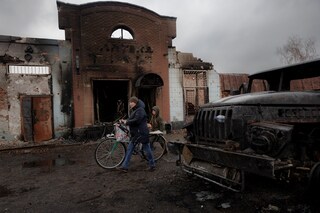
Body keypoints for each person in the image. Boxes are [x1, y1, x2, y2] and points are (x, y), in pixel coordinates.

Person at [117, 96, 155, 173]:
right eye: (129, 102)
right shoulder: (136, 110)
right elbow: (132, 119)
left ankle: (152, 165)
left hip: (141, 133)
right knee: (134, 149)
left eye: (131, 102)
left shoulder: (140, 110)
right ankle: (125, 166)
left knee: (145, 149)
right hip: (138, 133)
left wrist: (126, 122)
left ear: (135, 102)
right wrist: (125, 120)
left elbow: (137, 120)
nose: (130, 104)